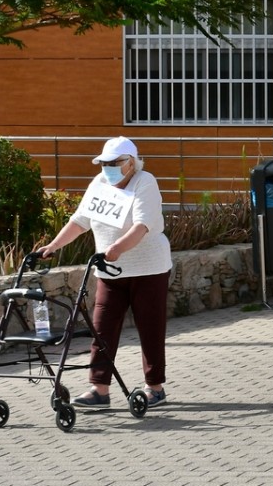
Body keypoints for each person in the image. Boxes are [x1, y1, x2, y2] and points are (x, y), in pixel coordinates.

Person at [35, 137, 172, 409]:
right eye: (104, 163)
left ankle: (155, 387)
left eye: (115, 163)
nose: (108, 168)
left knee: (150, 328)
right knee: (102, 329)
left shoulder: (144, 182)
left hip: (148, 270)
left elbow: (142, 226)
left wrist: (117, 248)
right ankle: (99, 390)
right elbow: (79, 221)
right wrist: (53, 246)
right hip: (109, 272)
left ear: (131, 163)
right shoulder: (99, 183)